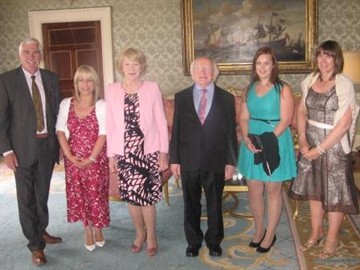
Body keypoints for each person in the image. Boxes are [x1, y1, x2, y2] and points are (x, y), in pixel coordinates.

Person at [288, 40, 359, 259]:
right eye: (320, 55)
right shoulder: (309, 80)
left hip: (334, 147)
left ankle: (331, 238)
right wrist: (303, 139)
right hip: (310, 143)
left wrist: (319, 149)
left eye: (328, 56)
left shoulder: (343, 84)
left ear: (336, 59)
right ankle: (316, 231)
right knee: (314, 189)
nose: (323, 60)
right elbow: (301, 111)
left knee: (336, 193)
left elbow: (344, 124)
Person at [0, 37, 62, 265]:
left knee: (42, 194)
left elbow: (57, 114)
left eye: (36, 52)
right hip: (21, 148)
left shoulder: (51, 78)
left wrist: (61, 144)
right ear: (20, 55)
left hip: (47, 146)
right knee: (26, 198)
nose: (31, 56)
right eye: (26, 52)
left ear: (41, 55)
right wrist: (6, 151)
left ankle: (41, 229)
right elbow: (1, 120)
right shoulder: (6, 81)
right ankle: (35, 245)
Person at [169, 56, 238, 257]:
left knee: (215, 203)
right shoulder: (181, 97)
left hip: (216, 160)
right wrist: (174, 159)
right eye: (198, 68)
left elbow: (230, 133)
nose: (203, 72)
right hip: (189, 159)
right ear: (192, 72)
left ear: (215, 73)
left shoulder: (226, 98)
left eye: (207, 69)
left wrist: (230, 161)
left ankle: (214, 241)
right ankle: (193, 241)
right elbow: (177, 130)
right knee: (190, 204)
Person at [106, 48, 169, 256]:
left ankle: (151, 235)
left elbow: (161, 122)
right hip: (124, 152)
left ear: (142, 66)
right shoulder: (112, 90)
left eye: (135, 64)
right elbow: (110, 124)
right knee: (132, 198)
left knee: (147, 198)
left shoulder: (152, 88)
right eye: (127, 64)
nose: (131, 68)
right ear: (121, 67)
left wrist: (163, 152)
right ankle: (139, 234)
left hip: (148, 151)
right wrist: (111, 155)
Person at [237, 47, 297, 253]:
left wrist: (267, 140)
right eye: (259, 63)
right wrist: (246, 138)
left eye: (266, 63)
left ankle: (270, 234)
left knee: (272, 189)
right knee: (254, 189)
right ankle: (259, 229)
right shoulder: (249, 89)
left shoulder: (283, 89)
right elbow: (243, 118)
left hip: (275, 140)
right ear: (254, 66)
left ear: (273, 66)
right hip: (252, 141)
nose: (262, 67)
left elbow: (286, 119)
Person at [56, 65, 110, 252]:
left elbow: (103, 134)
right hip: (73, 160)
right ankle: (87, 230)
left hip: (96, 159)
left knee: (96, 195)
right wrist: (69, 156)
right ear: (76, 83)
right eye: (81, 80)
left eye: (89, 80)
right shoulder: (66, 103)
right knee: (79, 195)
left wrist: (92, 159)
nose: (85, 84)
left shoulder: (102, 105)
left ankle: (98, 228)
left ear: (95, 83)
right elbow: (60, 131)